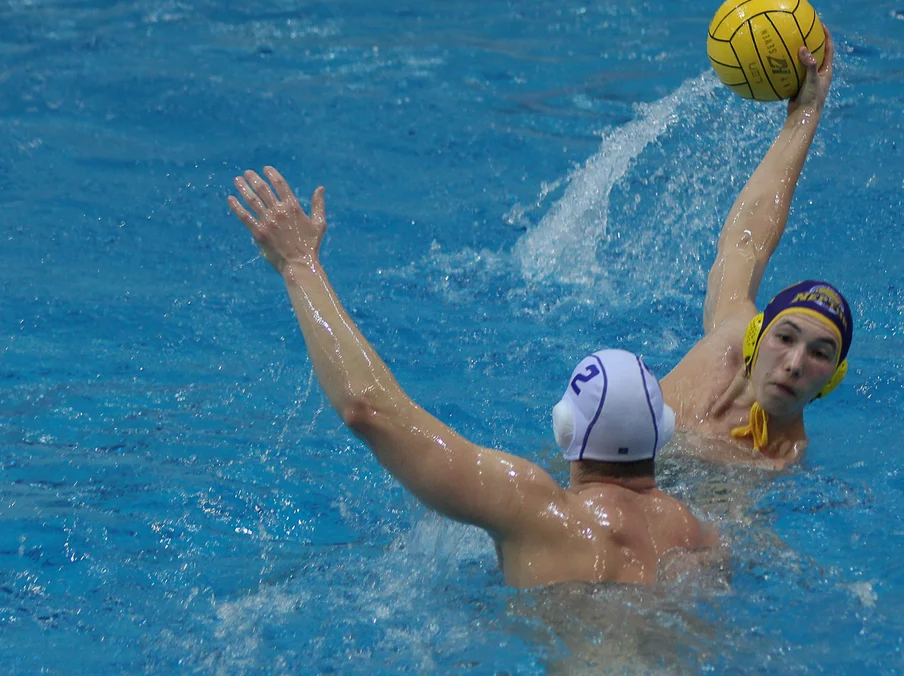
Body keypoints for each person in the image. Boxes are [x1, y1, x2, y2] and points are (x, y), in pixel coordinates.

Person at [227, 167, 718, 588]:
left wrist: (300, 264)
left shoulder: (541, 514)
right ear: (664, 432)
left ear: (564, 427)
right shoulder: (703, 537)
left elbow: (368, 409)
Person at [660, 26, 853, 470]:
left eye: (820, 353)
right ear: (756, 336)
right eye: (785, 338)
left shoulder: (778, 461)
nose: (794, 363)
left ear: (832, 379)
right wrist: (805, 113)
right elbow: (747, 236)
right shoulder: (728, 335)